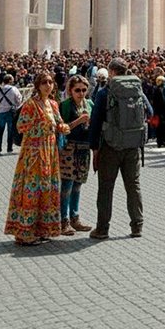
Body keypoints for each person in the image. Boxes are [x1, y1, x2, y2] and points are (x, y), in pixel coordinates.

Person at [4, 72, 70, 246]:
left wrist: (63, 127)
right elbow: (21, 126)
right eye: (44, 82)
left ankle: (41, 229)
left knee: (46, 190)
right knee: (31, 190)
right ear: (37, 86)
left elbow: (59, 123)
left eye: (50, 82)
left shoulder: (53, 104)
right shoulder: (31, 104)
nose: (48, 85)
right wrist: (43, 127)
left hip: (49, 152)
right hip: (33, 154)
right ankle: (25, 232)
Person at [88, 57, 150, 240]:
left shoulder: (105, 92)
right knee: (133, 186)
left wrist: (94, 148)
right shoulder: (137, 88)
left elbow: (96, 122)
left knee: (106, 188)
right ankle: (137, 226)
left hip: (110, 145)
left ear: (112, 72)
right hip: (132, 146)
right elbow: (150, 111)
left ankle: (102, 229)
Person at [58, 75, 93, 235]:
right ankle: (63, 220)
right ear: (70, 90)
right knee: (67, 185)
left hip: (84, 148)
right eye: (77, 90)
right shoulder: (65, 106)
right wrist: (78, 121)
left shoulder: (89, 104)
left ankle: (75, 218)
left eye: (84, 90)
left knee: (78, 185)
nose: (81, 93)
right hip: (69, 148)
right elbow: (61, 127)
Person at [0, 73, 22, 155]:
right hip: (10, 111)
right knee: (10, 130)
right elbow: (19, 100)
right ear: (10, 80)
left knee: (0, 130)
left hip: (0, 111)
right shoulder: (14, 89)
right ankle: (9, 148)